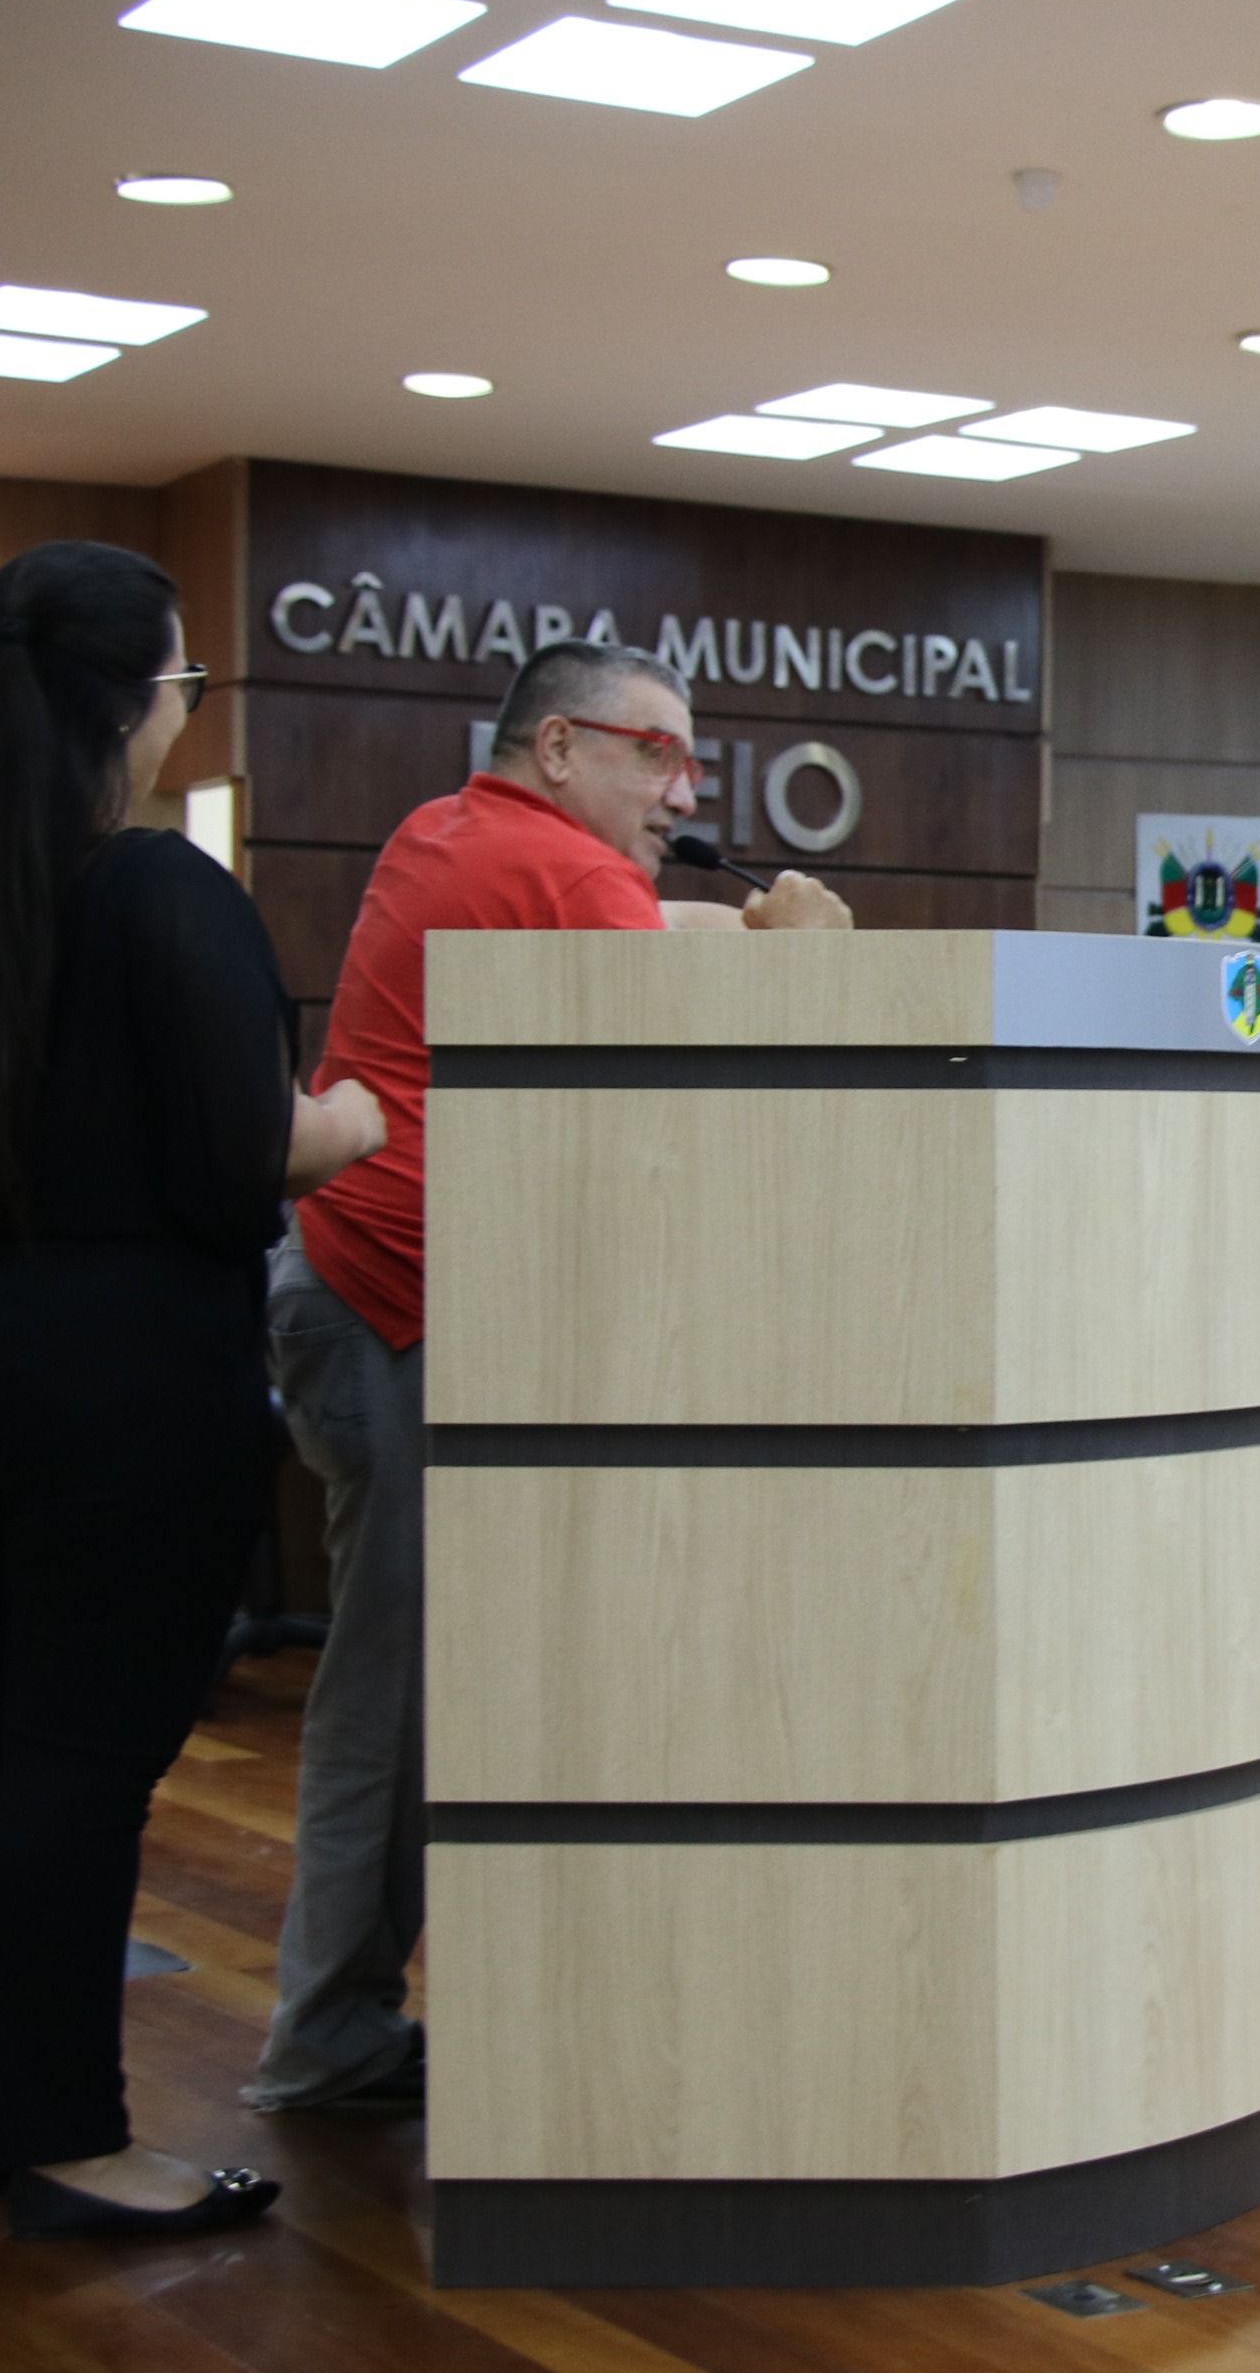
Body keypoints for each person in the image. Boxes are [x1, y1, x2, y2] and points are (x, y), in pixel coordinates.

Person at [0, 541, 386, 2240]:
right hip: (125, 1370)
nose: (180, 717)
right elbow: (242, 1159)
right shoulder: (160, 890)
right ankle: (77, 2142)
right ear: (133, 701)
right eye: (182, 687)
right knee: (80, 1759)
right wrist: (351, 1123)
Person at [255, 642, 850, 2117]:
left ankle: (350, 2023)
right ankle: (327, 2039)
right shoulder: (565, 873)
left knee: (416, 1683)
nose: (684, 789)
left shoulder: (449, 829)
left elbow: (644, 929)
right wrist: (809, 955)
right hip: (405, 1310)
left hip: (349, 1291)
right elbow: (699, 1065)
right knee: (401, 1694)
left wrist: (730, 924)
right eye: (658, 754)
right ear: (564, 747)